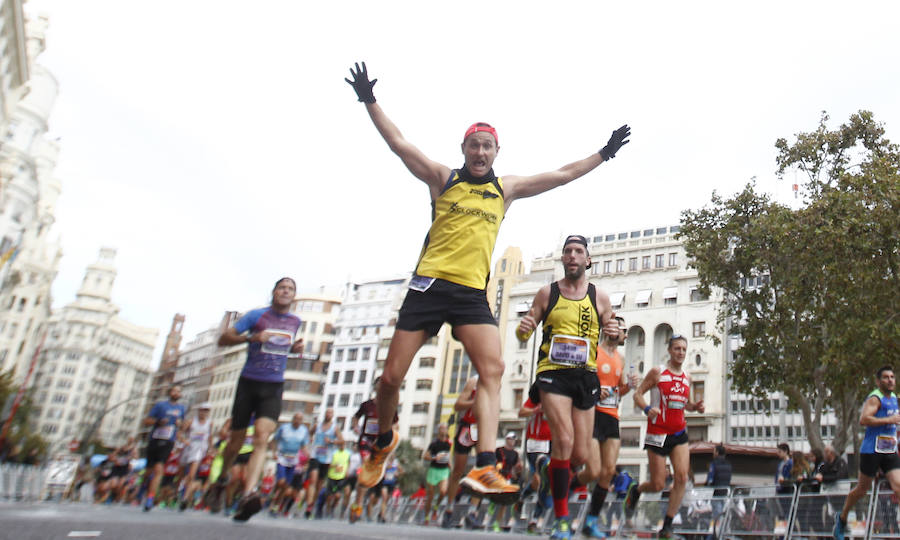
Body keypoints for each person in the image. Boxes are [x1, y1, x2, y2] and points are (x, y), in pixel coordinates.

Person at [345, 62, 631, 503]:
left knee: (492, 371)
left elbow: (561, 175)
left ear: (497, 151)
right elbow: (399, 144)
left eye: (488, 147)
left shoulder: (506, 189)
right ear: (464, 148)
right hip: (429, 287)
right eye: (474, 145)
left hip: (470, 294)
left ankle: (484, 466)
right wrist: (369, 100)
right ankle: (383, 441)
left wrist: (604, 153)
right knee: (389, 380)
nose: (480, 153)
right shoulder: (443, 179)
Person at [516, 234, 618, 539]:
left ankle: (552, 475)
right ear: (563, 259)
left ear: (588, 260)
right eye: (567, 251)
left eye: (578, 251)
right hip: (552, 373)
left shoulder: (599, 296)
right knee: (562, 439)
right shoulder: (546, 293)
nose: (572, 256)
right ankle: (560, 519)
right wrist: (523, 330)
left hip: (585, 376)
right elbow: (526, 330)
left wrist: (613, 329)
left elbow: (612, 329)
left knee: (580, 456)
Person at [210, 277, 304, 522]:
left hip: (273, 386)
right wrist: (250, 338)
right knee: (235, 443)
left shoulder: (296, 322)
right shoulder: (256, 316)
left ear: (294, 296)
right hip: (249, 383)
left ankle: (248, 494)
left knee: (262, 437)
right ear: (273, 292)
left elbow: (283, 347)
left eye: (290, 289)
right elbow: (223, 339)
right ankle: (222, 478)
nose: (286, 291)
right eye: (282, 287)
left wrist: (294, 349)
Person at [625, 334, 705, 540]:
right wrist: (647, 408)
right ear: (669, 350)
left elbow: (684, 403)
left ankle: (667, 527)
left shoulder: (687, 376)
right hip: (657, 434)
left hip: (679, 433)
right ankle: (636, 491)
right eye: (677, 349)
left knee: (682, 477)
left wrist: (695, 407)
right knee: (658, 484)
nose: (681, 353)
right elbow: (637, 394)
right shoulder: (658, 372)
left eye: (684, 350)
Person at [579, 316, 636, 538]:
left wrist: (629, 387)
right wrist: (595, 390)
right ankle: (564, 489)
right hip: (592, 414)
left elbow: (618, 391)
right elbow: (581, 381)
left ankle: (591, 520)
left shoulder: (620, 360)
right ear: (611, 329)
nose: (625, 334)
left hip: (612, 416)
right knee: (593, 470)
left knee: (608, 472)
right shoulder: (592, 351)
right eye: (623, 329)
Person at [834, 366, 900, 540]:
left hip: (889, 450)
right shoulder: (875, 398)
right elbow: (863, 419)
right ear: (878, 381)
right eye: (886, 377)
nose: (890, 380)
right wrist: (889, 419)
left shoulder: (894, 398)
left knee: (898, 486)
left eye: (892, 377)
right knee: (862, 489)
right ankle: (841, 518)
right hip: (871, 450)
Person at [348, 377, 398, 523]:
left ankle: (367, 502)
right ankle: (357, 505)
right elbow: (355, 418)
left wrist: (391, 442)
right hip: (366, 442)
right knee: (366, 469)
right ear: (375, 388)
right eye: (379, 385)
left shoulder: (390, 407)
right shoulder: (367, 405)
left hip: (380, 445)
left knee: (375, 479)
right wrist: (355, 427)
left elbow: (395, 425)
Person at [440, 375, 479, 529]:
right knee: (458, 470)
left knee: (483, 468)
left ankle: (473, 512)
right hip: (467, 427)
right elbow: (458, 405)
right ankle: (449, 509)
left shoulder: (496, 381)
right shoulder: (473, 381)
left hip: (482, 426)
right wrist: (475, 402)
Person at [142, 384, 186, 511]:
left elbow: (182, 426)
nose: (177, 393)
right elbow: (147, 420)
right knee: (149, 471)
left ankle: (150, 498)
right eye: (174, 391)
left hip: (168, 442)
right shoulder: (160, 405)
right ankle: (146, 485)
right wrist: (158, 422)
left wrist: (180, 424)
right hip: (155, 439)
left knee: (159, 469)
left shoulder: (181, 408)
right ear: (170, 392)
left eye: (179, 391)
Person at [518, 396, 553, 534]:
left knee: (542, 482)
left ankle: (533, 516)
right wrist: (536, 409)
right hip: (533, 443)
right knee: (539, 481)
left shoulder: (560, 396)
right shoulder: (536, 396)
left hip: (549, 445)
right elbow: (521, 412)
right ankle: (534, 517)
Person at [269, 412, 309, 515]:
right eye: (295, 418)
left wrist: (307, 454)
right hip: (282, 457)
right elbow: (274, 440)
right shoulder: (284, 428)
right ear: (292, 419)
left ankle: (276, 505)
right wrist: (274, 452)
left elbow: (304, 445)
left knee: (286, 485)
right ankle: (274, 494)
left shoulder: (304, 431)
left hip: (293, 460)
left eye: (300, 419)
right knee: (281, 482)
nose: (297, 421)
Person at [179, 402, 213, 511]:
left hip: (199, 450)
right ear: (199, 410)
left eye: (207, 410)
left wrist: (211, 449)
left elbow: (210, 437)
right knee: (181, 474)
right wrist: (184, 441)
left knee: (192, 474)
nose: (204, 412)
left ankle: (185, 498)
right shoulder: (191, 421)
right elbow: (179, 433)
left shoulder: (209, 423)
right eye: (203, 410)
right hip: (188, 448)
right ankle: (178, 491)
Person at [306, 407, 337, 518]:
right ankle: (309, 505)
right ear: (325, 414)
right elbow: (309, 433)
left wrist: (332, 441)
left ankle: (312, 503)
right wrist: (309, 439)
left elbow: (342, 440)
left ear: (332, 415)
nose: (328, 414)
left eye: (331, 413)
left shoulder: (335, 428)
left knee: (319, 484)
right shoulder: (317, 425)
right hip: (315, 455)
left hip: (327, 458)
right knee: (313, 480)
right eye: (327, 412)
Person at [423, 423, 452, 525]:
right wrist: (434, 458)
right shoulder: (434, 443)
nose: (444, 430)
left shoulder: (449, 443)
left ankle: (436, 507)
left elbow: (449, 456)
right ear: (438, 430)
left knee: (443, 491)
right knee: (430, 496)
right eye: (442, 428)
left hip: (444, 470)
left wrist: (451, 466)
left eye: (445, 428)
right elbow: (425, 456)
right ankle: (426, 518)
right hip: (433, 470)